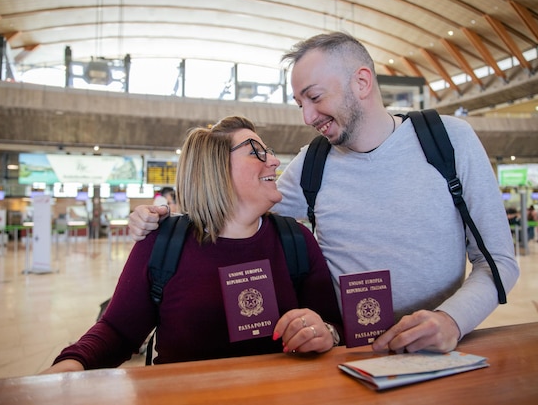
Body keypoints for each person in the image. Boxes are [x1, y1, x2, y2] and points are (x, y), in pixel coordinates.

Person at [128, 32, 519, 354]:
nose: (308, 117)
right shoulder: (311, 164)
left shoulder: (448, 142)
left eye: (315, 98)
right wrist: (165, 220)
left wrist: (452, 320)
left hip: (436, 351)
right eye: (300, 103)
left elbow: (497, 260)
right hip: (346, 357)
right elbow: (238, 211)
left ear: (361, 82)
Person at [40, 116, 342, 374]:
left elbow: (333, 325)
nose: (274, 161)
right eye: (256, 152)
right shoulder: (164, 242)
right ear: (215, 167)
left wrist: (323, 332)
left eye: (270, 152)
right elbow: (118, 332)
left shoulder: (295, 241)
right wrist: (69, 365)